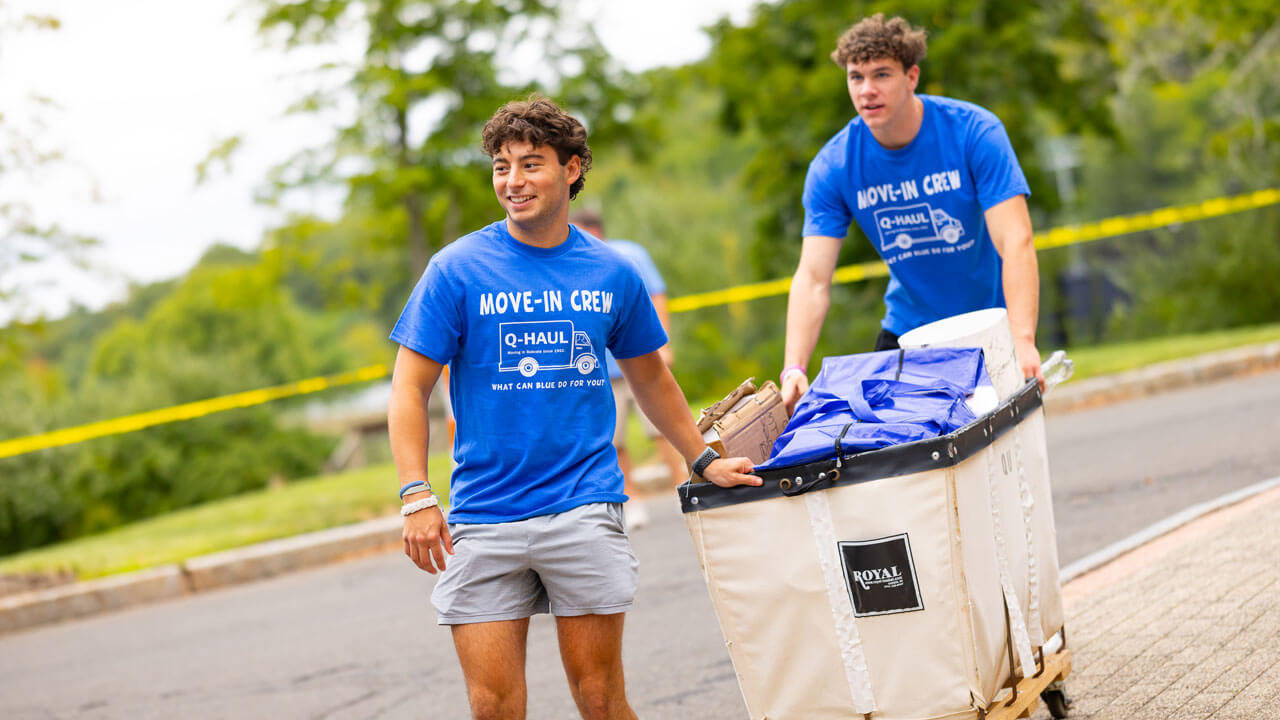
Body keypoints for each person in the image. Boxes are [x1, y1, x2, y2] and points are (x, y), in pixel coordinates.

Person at [387, 96, 761, 720]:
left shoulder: (613, 273)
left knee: (600, 700)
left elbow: (651, 378)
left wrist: (702, 458)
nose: (513, 182)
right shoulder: (455, 270)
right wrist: (416, 493)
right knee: (493, 707)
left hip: (583, 507)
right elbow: (408, 389)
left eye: (531, 165)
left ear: (573, 167)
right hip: (483, 514)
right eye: (502, 168)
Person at [780, 13, 1043, 413]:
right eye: (856, 77)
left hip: (989, 326)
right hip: (909, 330)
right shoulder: (833, 165)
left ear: (912, 77)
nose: (867, 90)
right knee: (896, 457)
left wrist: (1022, 339)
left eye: (882, 75)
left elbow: (1015, 240)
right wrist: (793, 367)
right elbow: (814, 278)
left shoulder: (974, 131)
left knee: (1006, 457)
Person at [569, 209, 687, 531]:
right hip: (601, 371)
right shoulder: (569, 263)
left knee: (664, 429)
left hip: (641, 363)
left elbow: (656, 296)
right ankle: (631, 500)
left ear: (594, 231)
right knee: (615, 440)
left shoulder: (630, 255)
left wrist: (663, 344)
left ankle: (685, 487)